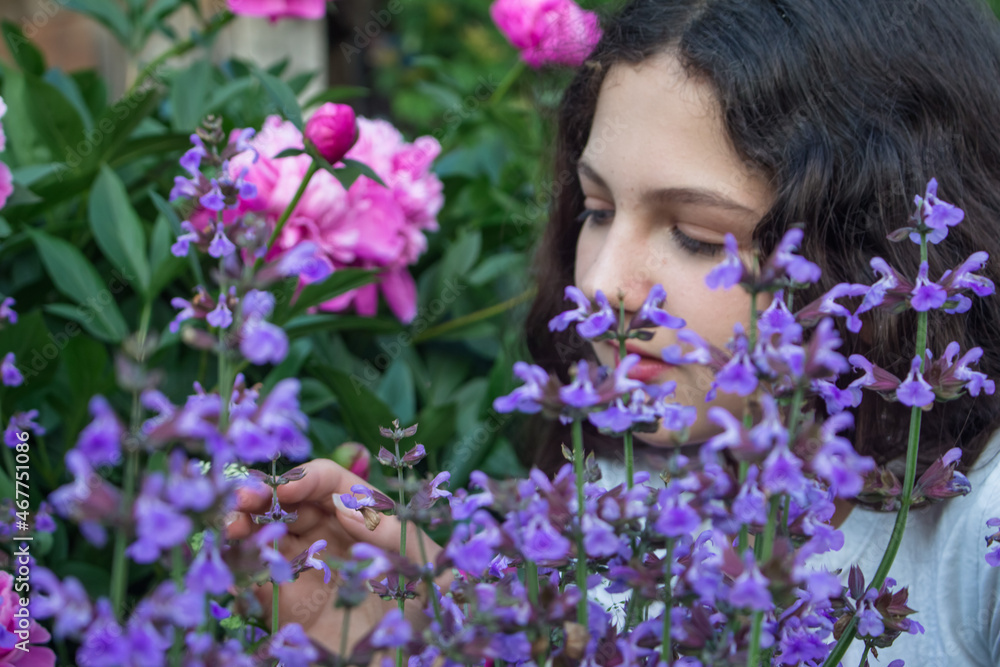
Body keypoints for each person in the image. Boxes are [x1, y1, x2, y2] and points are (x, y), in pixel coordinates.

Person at [226, 0, 1000, 664]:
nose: (598, 285)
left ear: (877, 245)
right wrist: (458, 622)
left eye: (697, 235)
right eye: (596, 211)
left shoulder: (976, 530)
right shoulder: (630, 464)